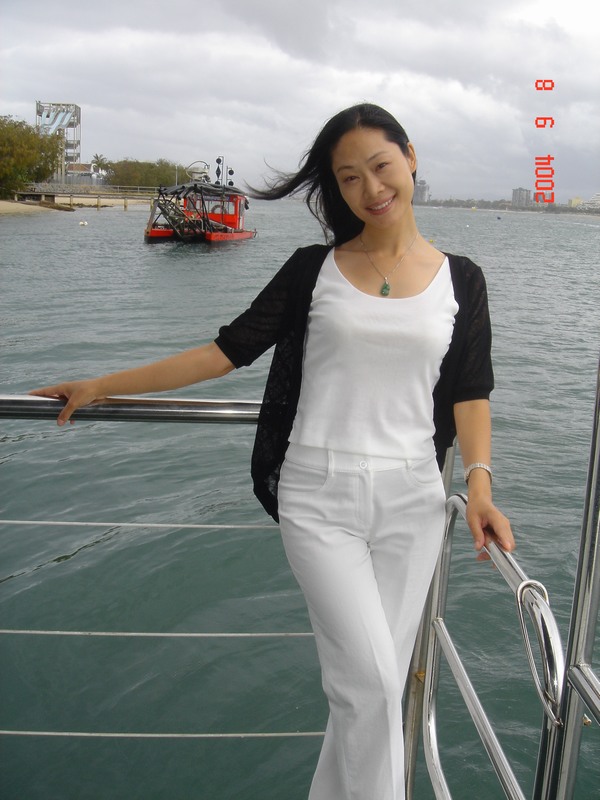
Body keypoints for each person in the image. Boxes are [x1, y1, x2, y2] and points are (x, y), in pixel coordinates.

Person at [31, 103, 515, 800]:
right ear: (336, 189)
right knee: (375, 687)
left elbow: (470, 391)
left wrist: (481, 486)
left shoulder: (462, 279)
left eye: (380, 166)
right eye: (349, 178)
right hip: (318, 498)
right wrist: (102, 385)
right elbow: (223, 352)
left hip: (413, 501)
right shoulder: (314, 270)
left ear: (410, 157)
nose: (370, 188)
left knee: (364, 693)